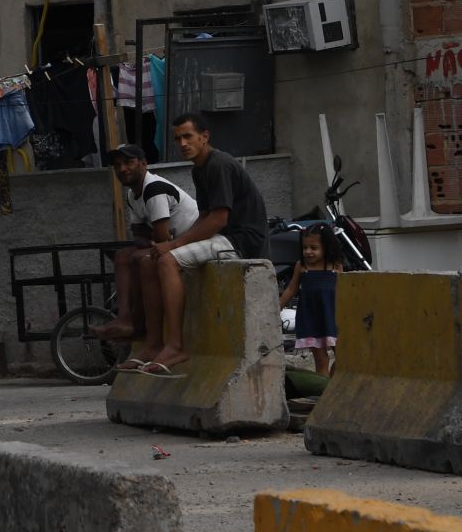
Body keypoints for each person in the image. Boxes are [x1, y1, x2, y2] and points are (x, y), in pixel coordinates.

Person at [127, 112, 269, 375]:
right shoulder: (199, 170)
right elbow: (204, 216)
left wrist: (172, 246)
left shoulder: (219, 165)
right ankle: (154, 343)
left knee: (168, 259)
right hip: (222, 236)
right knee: (150, 261)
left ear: (204, 137)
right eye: (177, 138)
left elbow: (217, 219)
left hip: (241, 241)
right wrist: (172, 245)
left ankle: (176, 345)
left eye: (188, 137)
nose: (182, 143)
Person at [92, 144, 198, 342]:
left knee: (139, 259)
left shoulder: (154, 189)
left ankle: (139, 326)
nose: (122, 169)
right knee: (122, 256)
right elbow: (139, 233)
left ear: (143, 164)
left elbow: (161, 237)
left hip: (190, 240)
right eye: (117, 165)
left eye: (128, 162)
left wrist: (151, 238)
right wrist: (150, 237)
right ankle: (124, 319)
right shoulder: (133, 194)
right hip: (171, 242)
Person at [280, 224, 339, 375]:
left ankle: (333, 384)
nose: (308, 252)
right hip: (311, 319)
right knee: (321, 360)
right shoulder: (302, 266)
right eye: (305, 247)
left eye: (313, 247)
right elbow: (291, 289)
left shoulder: (335, 266)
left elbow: (342, 290)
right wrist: (277, 307)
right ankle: (322, 392)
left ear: (326, 247)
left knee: (343, 357)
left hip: (332, 318)